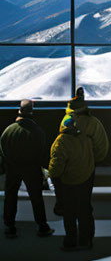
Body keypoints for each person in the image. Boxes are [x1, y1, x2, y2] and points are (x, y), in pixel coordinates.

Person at [54, 87, 108, 228]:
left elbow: (60, 148)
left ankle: (70, 240)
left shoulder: (65, 121)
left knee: (69, 207)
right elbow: (101, 145)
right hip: (87, 169)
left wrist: (56, 172)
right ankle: (86, 239)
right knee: (84, 204)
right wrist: (93, 159)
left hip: (68, 171)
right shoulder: (93, 122)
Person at [0, 100, 54, 239]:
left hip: (13, 167)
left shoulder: (9, 130)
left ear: (19, 112)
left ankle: (10, 227)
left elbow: (3, 150)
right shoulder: (38, 132)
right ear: (31, 112)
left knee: (10, 197)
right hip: (32, 168)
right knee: (36, 198)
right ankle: (42, 226)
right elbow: (42, 152)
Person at [48, 114, 94, 251]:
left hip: (69, 183)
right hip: (85, 180)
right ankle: (86, 241)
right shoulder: (86, 139)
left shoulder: (61, 142)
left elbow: (56, 167)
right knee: (85, 211)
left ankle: (70, 241)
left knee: (70, 213)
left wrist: (51, 175)